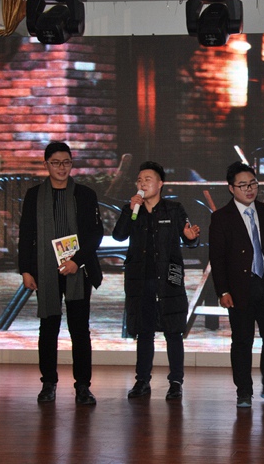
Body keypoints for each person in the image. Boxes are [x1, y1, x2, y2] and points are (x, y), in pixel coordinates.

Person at [18, 142, 104, 405]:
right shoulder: (34, 195)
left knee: (80, 329)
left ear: (71, 163)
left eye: (66, 162)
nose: (61, 167)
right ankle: (48, 383)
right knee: (48, 328)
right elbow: (26, 234)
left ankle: (83, 386)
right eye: (55, 162)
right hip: (45, 270)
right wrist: (25, 270)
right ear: (46, 164)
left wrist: (77, 261)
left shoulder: (85, 194)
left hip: (78, 269)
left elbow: (95, 234)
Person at [112, 161, 200, 400]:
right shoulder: (131, 209)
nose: (142, 184)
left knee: (173, 331)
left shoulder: (174, 209)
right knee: (144, 332)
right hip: (140, 280)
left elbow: (190, 239)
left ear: (160, 183)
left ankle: (176, 382)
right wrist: (131, 210)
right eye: (139, 180)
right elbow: (118, 235)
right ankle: (142, 381)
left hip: (169, 279)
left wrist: (190, 237)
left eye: (147, 179)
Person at [209, 162, 264, 408]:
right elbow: (217, 258)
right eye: (243, 185)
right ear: (231, 188)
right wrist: (223, 291)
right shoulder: (221, 217)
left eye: (252, 184)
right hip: (239, 289)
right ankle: (243, 391)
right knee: (243, 340)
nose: (249, 189)